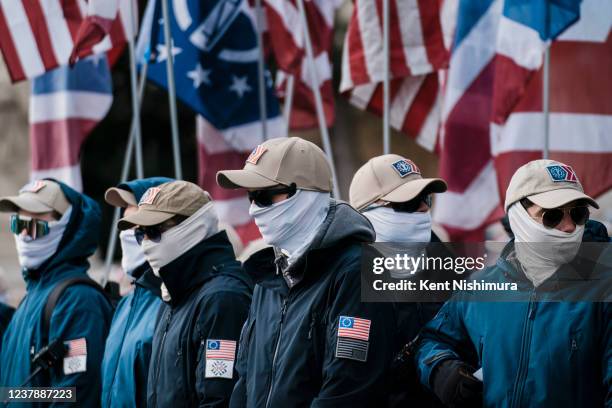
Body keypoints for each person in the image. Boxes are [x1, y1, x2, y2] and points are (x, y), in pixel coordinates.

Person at [217, 137, 398, 407]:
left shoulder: (356, 271)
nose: (254, 208)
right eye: (250, 196)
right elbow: (244, 379)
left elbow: (348, 388)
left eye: (265, 195)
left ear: (306, 193)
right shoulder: (267, 278)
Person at [415, 160, 612, 407]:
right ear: (518, 217)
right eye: (552, 216)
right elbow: (433, 340)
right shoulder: (482, 288)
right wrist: (441, 370)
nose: (570, 226)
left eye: (578, 213)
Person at [116, 180, 252, 408]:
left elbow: (219, 399)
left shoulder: (222, 298)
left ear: (192, 226)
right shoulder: (171, 297)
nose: (146, 243)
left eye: (154, 231)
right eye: (140, 234)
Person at [0, 179, 113, 406]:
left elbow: (73, 393)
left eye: (35, 226)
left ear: (67, 226)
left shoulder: (78, 300)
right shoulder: (33, 296)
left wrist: (17, 396)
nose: (24, 235)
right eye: (17, 224)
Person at [349, 154, 449, 407]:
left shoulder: (451, 273)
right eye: (408, 203)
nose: (424, 209)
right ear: (367, 214)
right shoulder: (341, 283)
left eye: (425, 199)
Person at [100, 177, 172, 407]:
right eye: (124, 222)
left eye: (135, 225)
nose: (126, 233)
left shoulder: (171, 301)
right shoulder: (126, 303)